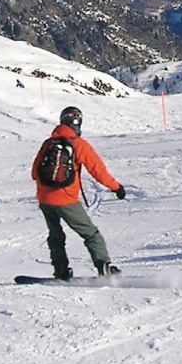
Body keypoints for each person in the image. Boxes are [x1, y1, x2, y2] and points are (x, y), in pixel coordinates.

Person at [30, 106, 125, 279]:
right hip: (65, 199)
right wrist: (116, 187)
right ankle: (103, 267)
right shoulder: (79, 144)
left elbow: (34, 172)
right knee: (90, 233)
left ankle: (60, 270)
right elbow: (98, 171)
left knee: (55, 235)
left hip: (44, 199)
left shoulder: (48, 143)